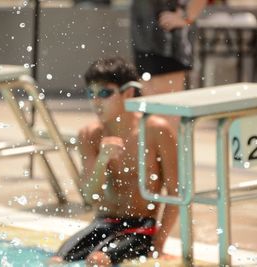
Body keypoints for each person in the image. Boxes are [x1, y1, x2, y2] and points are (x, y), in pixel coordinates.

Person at [51, 57, 179, 266]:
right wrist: (103, 159)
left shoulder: (156, 131)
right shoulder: (89, 134)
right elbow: (90, 196)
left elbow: (176, 193)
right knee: (56, 261)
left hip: (141, 227)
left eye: (104, 93)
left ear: (128, 93)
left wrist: (159, 244)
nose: (96, 102)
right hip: (103, 222)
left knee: (97, 260)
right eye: (91, 94)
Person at [131, 0, 207, 129]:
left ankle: (171, 147)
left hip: (168, 38)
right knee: (150, 109)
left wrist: (186, 17)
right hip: (143, 35)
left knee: (165, 111)